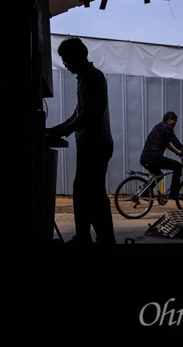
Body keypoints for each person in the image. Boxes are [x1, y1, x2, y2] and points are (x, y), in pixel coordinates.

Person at [46, 37, 116, 246]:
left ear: (79, 55)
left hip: (95, 145)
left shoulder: (91, 78)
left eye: (66, 58)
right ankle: (90, 237)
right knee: (89, 192)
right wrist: (58, 129)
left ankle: (97, 239)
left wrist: (63, 130)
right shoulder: (87, 77)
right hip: (94, 144)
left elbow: (87, 114)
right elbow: (78, 113)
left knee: (90, 193)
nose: (65, 63)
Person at [139, 111, 183, 200]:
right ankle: (173, 193)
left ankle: (144, 193)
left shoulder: (158, 127)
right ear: (169, 120)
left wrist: (177, 152)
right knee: (178, 166)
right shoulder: (167, 127)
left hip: (145, 158)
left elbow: (166, 144)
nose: (175, 124)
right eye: (175, 121)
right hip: (154, 157)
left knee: (159, 175)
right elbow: (175, 142)